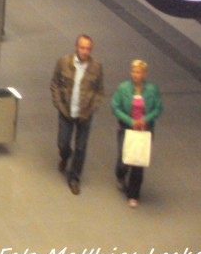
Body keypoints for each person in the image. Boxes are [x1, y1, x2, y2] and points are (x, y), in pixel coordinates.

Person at [50, 34, 104, 195]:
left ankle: (74, 178)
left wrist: (92, 109)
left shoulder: (96, 67)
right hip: (66, 111)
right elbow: (55, 84)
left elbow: (99, 91)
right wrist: (59, 104)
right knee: (63, 142)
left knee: (81, 147)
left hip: (84, 115)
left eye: (88, 48)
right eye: (82, 47)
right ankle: (65, 155)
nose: (85, 51)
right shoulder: (63, 63)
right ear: (76, 47)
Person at [111, 58, 162, 208]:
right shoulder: (123, 88)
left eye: (138, 72)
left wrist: (145, 119)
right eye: (133, 71)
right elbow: (115, 107)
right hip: (126, 129)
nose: (135, 74)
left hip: (144, 131)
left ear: (144, 74)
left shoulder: (152, 90)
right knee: (123, 160)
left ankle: (133, 194)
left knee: (138, 163)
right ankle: (120, 175)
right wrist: (129, 120)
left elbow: (158, 109)